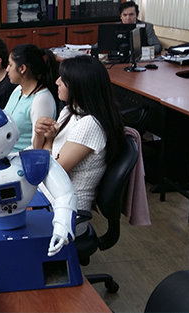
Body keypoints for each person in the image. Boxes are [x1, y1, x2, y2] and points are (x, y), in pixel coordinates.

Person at [33, 55, 126, 236]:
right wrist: (39, 134)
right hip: (46, 199)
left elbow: (54, 173)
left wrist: (49, 142)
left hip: (65, 213)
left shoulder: (90, 124)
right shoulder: (69, 111)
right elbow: (39, 158)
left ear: (79, 86)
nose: (57, 81)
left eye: (64, 79)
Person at [3, 44, 60, 152]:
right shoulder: (18, 90)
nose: (7, 69)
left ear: (22, 68)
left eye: (10, 65)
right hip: (3, 154)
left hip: (18, 160)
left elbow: (37, 147)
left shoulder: (41, 100)